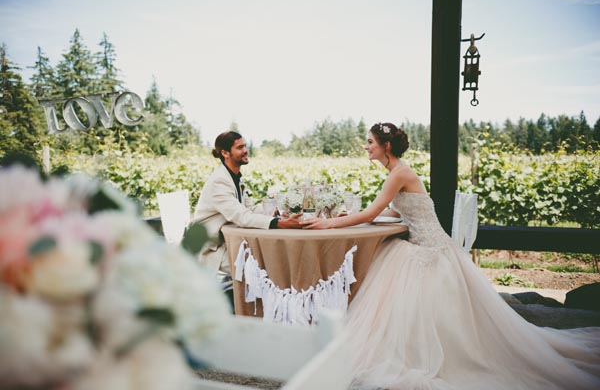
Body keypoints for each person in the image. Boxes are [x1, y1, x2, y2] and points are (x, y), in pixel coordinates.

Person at [301, 122, 600, 389]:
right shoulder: (397, 172)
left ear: (386, 146)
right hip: (421, 245)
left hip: (431, 250)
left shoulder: (399, 173)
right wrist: (350, 218)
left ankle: (424, 354)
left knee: (399, 278)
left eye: (370, 142)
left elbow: (372, 212)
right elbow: (393, 211)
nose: (366, 147)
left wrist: (330, 223)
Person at [193, 131, 302, 282]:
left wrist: (275, 211)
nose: (245, 150)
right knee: (259, 269)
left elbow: (249, 210)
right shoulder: (219, 181)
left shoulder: (234, 177)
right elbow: (242, 217)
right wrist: (280, 223)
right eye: (240, 147)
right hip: (210, 250)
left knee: (268, 259)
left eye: (245, 146)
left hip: (229, 242)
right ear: (225, 153)